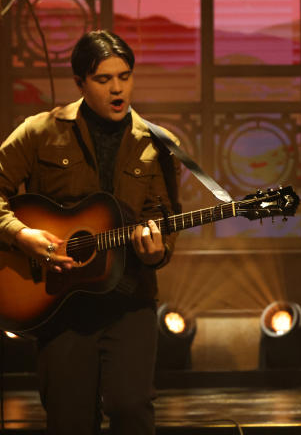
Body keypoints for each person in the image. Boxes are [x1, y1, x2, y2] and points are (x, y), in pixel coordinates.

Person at [0, 30, 180, 435]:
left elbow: (164, 219)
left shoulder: (158, 144)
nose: (118, 88)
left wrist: (155, 251)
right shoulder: (39, 131)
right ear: (80, 83)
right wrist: (20, 234)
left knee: (131, 408)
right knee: (69, 420)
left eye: (125, 76)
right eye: (103, 79)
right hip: (58, 303)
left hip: (129, 299)